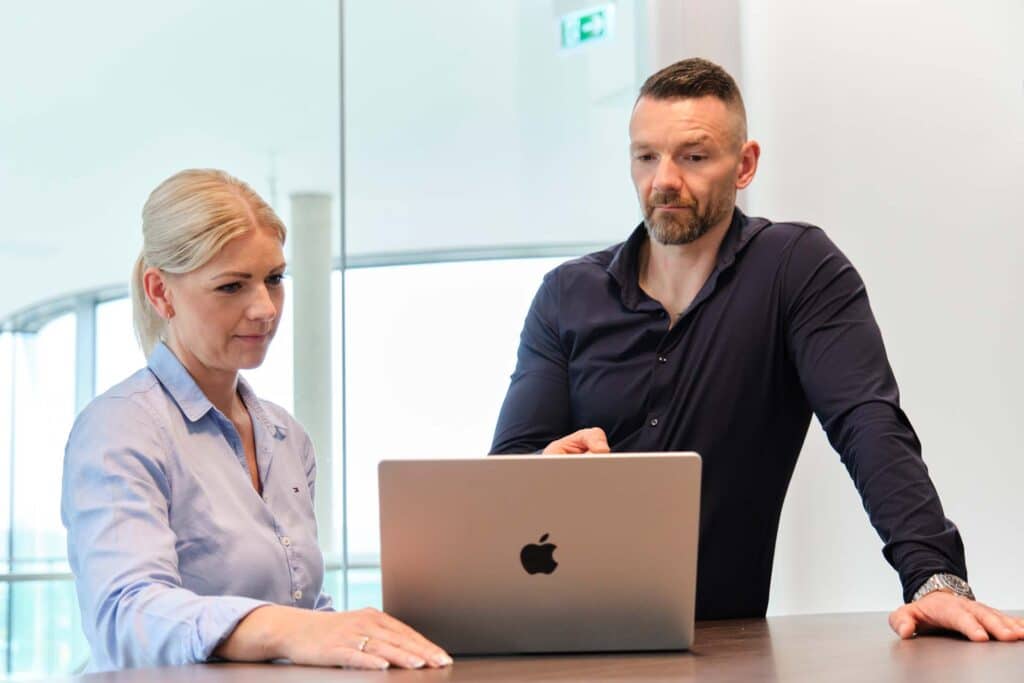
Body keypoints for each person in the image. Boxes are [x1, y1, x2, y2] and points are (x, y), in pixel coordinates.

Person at [491, 58, 1024, 642]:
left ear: (744, 166)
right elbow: (507, 471)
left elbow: (867, 422)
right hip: (549, 630)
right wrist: (547, 469)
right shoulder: (567, 293)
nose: (664, 180)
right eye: (646, 156)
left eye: (692, 157)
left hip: (718, 650)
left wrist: (934, 579)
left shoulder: (795, 268)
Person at [61, 169, 453, 671]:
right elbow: (125, 615)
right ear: (161, 293)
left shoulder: (285, 436)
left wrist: (361, 642)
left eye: (274, 279)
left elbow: (304, 613)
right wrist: (290, 629)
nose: (265, 309)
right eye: (231, 286)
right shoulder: (121, 427)